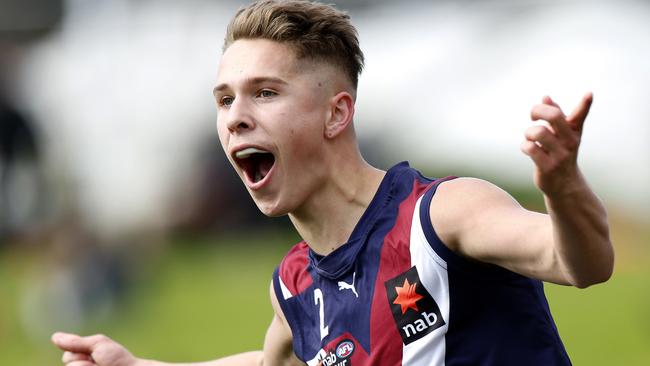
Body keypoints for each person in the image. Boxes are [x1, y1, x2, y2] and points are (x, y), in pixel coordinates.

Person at [51, 0, 614, 365]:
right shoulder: (295, 285)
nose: (235, 117)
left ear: (336, 114)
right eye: (224, 99)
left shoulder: (443, 216)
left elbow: (583, 265)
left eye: (265, 93)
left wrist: (561, 187)